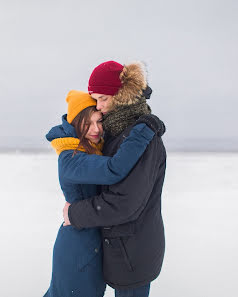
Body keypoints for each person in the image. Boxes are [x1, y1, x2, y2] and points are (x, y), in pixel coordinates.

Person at [43, 90, 164, 297]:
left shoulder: (91, 149)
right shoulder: (71, 158)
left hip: (94, 242)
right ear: (75, 125)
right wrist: (144, 129)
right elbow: (113, 169)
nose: (96, 130)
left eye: (99, 122)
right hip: (78, 245)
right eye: (87, 124)